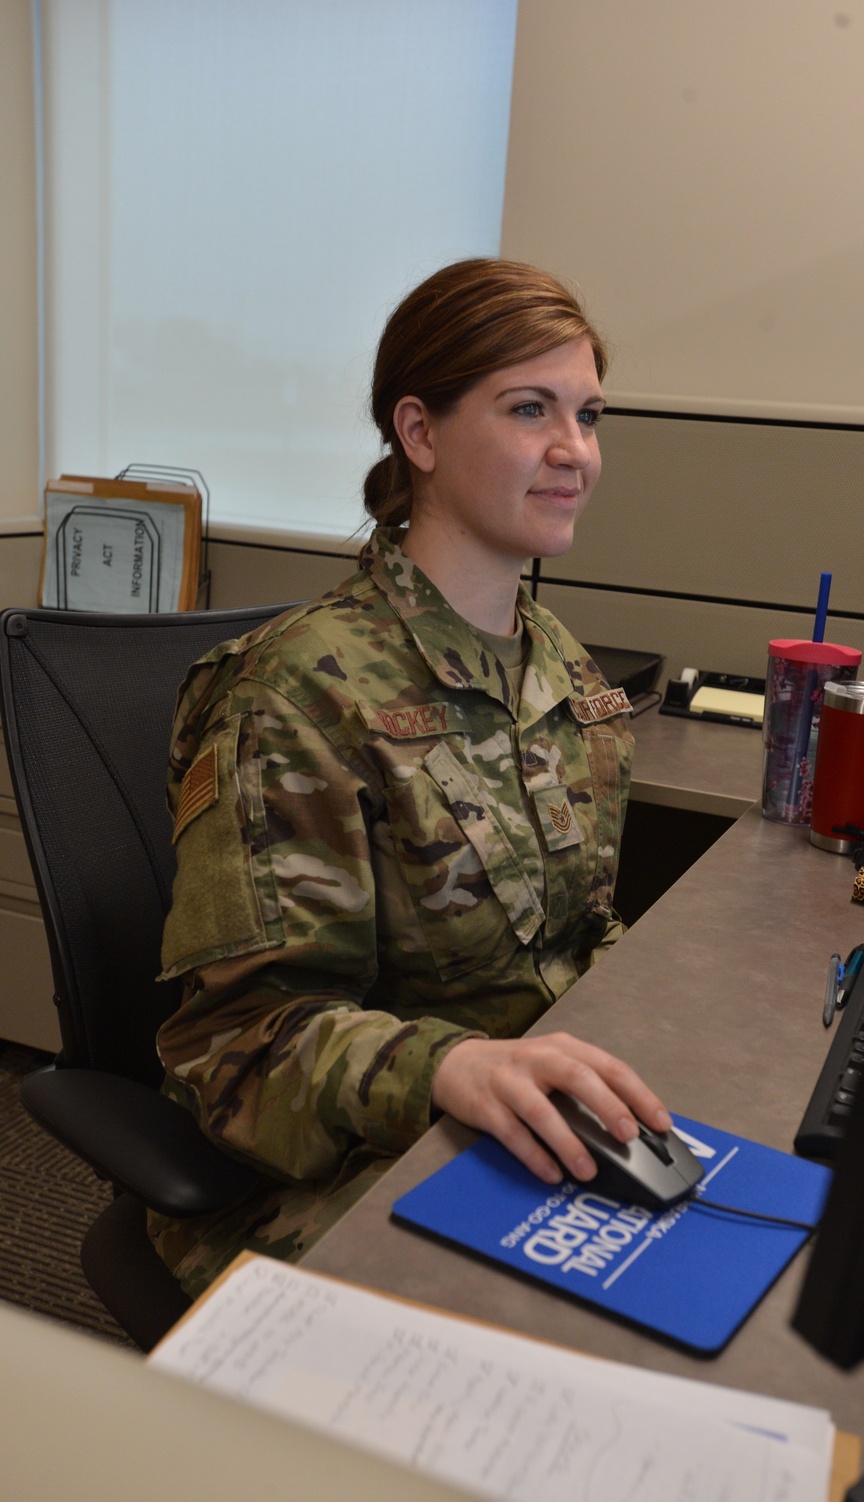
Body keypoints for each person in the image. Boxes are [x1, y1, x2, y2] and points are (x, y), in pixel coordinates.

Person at [152, 258, 671, 1295]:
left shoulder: (562, 668)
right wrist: (441, 1066)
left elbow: (576, 935)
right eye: (531, 410)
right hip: (349, 1170)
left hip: (528, 1137)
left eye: (588, 414)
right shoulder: (298, 692)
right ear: (420, 433)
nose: (575, 451)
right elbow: (238, 1049)